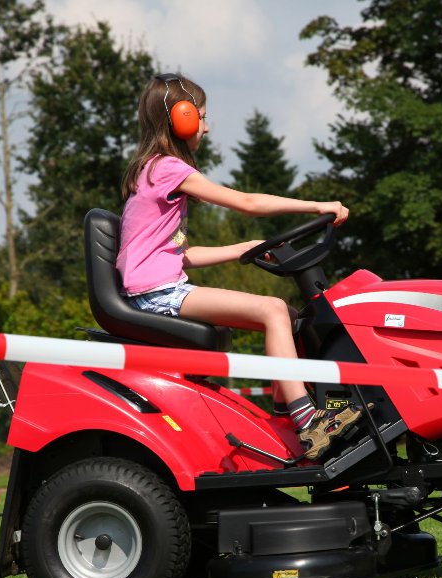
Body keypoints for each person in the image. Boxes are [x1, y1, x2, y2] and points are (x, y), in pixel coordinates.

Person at [116, 73, 362, 461]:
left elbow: (179, 255)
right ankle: (308, 420)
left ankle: (287, 417)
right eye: (202, 117)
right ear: (181, 120)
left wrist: (243, 247)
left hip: (158, 289)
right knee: (272, 309)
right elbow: (246, 202)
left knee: (294, 317)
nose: (207, 127)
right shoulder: (167, 168)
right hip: (157, 295)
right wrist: (318, 206)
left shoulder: (150, 170)